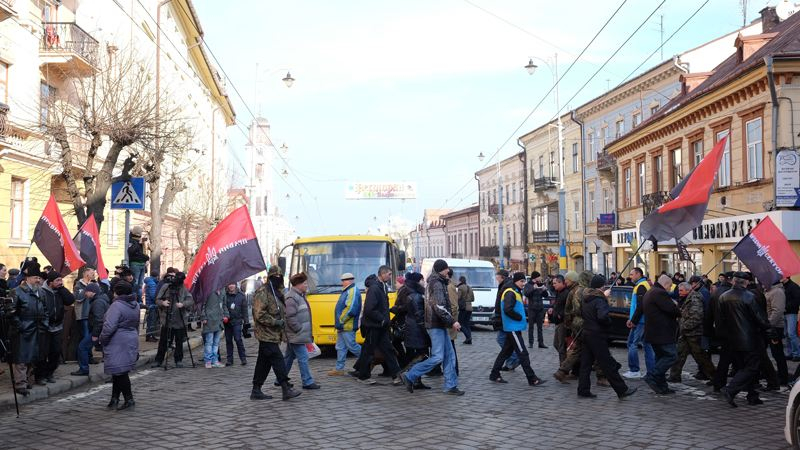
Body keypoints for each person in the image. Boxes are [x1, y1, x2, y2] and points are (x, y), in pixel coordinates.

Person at [400, 259, 465, 395]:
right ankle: (410, 375)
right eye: (446, 268)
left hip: (439, 324)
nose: (448, 271)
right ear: (441, 269)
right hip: (436, 325)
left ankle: (450, 385)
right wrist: (452, 321)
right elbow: (439, 306)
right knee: (438, 357)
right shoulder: (436, 283)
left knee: (449, 356)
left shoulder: (438, 282)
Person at [577, 275, 637, 399]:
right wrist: (608, 322)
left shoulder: (586, 298)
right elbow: (602, 316)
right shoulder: (599, 300)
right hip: (597, 335)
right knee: (607, 363)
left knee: (586, 364)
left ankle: (583, 389)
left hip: (587, 333)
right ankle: (622, 389)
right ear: (601, 286)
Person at [719, 272, 770, 407]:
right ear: (746, 282)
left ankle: (752, 395)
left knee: (743, 367)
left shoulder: (723, 297)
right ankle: (730, 390)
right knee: (752, 368)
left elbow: (720, 320)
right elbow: (760, 319)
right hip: (749, 339)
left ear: (734, 281)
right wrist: (771, 332)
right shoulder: (749, 297)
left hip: (732, 339)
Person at [251, 266, 301, 400]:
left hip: (275, 335)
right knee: (278, 359)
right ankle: (285, 388)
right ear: (270, 277)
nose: (278, 279)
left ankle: (256, 389)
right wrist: (275, 322)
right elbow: (259, 314)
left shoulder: (277, 292)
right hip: (266, 334)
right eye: (276, 277)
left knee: (264, 362)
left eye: (280, 276)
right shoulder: (263, 292)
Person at [488, 271, 545, 387]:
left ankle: (494, 374)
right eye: (521, 281)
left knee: (505, 352)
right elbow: (507, 309)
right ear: (515, 281)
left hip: (513, 327)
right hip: (512, 327)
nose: (523, 283)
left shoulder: (514, 290)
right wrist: (519, 316)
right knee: (523, 353)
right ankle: (532, 378)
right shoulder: (510, 292)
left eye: (524, 281)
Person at [354, 266, 402, 386]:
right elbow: (370, 309)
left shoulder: (382, 287)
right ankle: (363, 376)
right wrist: (382, 319)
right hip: (374, 326)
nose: (391, 277)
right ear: (383, 274)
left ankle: (397, 375)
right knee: (368, 351)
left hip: (381, 326)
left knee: (388, 350)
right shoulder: (375, 288)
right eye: (389, 274)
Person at [634, 274, 680, 395]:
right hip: (662, 333)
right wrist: (675, 305)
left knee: (660, 357)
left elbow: (640, 308)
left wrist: (633, 320)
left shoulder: (650, 292)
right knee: (671, 356)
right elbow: (673, 310)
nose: (670, 289)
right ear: (665, 284)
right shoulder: (660, 293)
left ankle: (662, 386)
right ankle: (652, 376)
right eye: (670, 286)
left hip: (654, 333)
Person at [99, 281, 139, 410]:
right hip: (130, 338)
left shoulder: (116, 306)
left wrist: (102, 339)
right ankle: (114, 398)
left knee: (120, 372)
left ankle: (129, 399)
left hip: (118, 341)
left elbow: (109, 326)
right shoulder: (135, 304)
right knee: (118, 371)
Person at [10, 261, 47, 396]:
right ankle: (20, 384)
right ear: (28, 278)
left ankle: (28, 381)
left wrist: (45, 324)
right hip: (23, 330)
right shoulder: (17, 292)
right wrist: (20, 326)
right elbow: (11, 312)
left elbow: (45, 310)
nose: (38, 280)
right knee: (21, 358)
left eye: (39, 278)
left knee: (33, 357)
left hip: (37, 329)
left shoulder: (40, 292)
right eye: (35, 278)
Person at [668, 282, 716, 383]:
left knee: (701, 357)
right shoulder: (687, 298)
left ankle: (715, 378)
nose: (679, 293)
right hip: (686, 333)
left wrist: (684, 327)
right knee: (679, 354)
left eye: (681, 290)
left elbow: (696, 317)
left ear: (688, 290)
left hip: (694, 333)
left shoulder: (695, 299)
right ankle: (674, 376)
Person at [35, 271, 75, 384]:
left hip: (57, 327)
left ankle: (49, 373)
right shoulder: (42, 291)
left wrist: (62, 289)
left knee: (56, 352)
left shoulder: (60, 291)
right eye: (57, 280)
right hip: (45, 327)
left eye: (60, 280)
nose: (60, 282)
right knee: (43, 353)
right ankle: (40, 376)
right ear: (50, 282)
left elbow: (70, 300)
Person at [283, 273, 319, 390]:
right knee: (303, 357)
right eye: (304, 283)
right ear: (298, 285)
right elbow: (290, 317)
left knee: (288, 358)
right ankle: (307, 381)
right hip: (296, 335)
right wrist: (299, 329)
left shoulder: (299, 295)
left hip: (297, 334)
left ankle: (280, 378)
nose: (306, 285)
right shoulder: (292, 297)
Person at [152, 272, 194, 368]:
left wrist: (183, 304)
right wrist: (163, 302)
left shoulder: (184, 288)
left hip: (180, 319)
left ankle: (178, 360)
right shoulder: (166, 287)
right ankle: (159, 360)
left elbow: (190, 300)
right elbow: (157, 300)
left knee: (179, 341)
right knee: (163, 341)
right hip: (167, 319)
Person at [623, 267, 655, 379]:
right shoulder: (644, 285)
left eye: (632, 274)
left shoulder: (641, 286)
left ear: (638, 274)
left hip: (640, 321)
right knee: (647, 345)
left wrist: (633, 321)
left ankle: (634, 370)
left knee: (632, 344)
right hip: (644, 320)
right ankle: (652, 371)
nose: (630, 277)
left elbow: (641, 306)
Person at [329, 272, 361, 376]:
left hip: (347, 325)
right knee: (341, 347)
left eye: (343, 281)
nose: (342, 283)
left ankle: (367, 359)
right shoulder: (348, 290)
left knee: (352, 346)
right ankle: (339, 369)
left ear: (348, 280)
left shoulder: (352, 291)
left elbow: (351, 309)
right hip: (343, 326)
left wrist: (341, 320)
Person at [72, 282, 101, 376]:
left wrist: (95, 334)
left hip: (97, 331)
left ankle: (84, 369)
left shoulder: (97, 302)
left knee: (82, 347)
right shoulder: (98, 300)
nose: (85, 294)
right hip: (99, 330)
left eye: (87, 292)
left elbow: (99, 320)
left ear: (92, 292)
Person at [493, 269, 519, 371]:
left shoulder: (506, 286)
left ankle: (514, 357)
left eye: (497, 277)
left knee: (501, 339)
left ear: (502, 277)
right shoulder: (505, 284)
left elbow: (506, 304)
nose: (496, 279)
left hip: (504, 317)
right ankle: (510, 363)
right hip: (503, 316)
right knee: (508, 341)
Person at [73, 266, 97, 371]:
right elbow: (77, 298)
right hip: (83, 315)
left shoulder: (94, 284)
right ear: (86, 274)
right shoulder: (78, 285)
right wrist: (86, 290)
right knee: (85, 337)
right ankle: (85, 359)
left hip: (92, 315)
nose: (94, 275)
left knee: (91, 337)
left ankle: (89, 356)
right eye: (92, 273)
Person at [765, 281, 788, 386]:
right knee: (774, 353)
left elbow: (777, 311)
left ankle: (783, 378)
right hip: (770, 326)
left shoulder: (777, 291)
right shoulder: (769, 290)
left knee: (777, 353)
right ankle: (777, 377)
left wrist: (769, 324)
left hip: (775, 327)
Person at [201, 288, 228, 368]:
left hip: (219, 321)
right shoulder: (208, 289)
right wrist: (203, 317)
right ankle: (208, 361)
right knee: (209, 342)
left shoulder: (223, 290)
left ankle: (215, 360)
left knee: (216, 343)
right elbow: (203, 304)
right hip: (210, 320)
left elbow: (224, 305)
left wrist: (226, 315)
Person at [223, 283, 249, 366]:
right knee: (228, 340)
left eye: (232, 284)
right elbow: (222, 307)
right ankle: (229, 359)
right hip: (227, 322)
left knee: (238, 339)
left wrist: (246, 321)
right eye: (229, 284)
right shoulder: (225, 295)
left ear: (235, 285)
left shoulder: (241, 295)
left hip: (237, 321)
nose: (231, 286)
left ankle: (243, 358)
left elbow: (245, 310)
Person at [524, 271, 547, 349]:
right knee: (531, 327)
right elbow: (526, 294)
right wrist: (533, 288)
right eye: (539, 276)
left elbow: (546, 295)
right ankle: (531, 343)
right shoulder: (528, 285)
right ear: (535, 277)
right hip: (532, 309)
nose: (540, 278)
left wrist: (544, 290)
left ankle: (541, 343)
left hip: (540, 308)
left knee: (540, 327)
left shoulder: (540, 284)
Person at [127, 226, 149, 305]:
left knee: (140, 284)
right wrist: (138, 244)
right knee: (135, 283)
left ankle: (139, 301)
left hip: (141, 264)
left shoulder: (139, 241)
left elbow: (141, 253)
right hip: (135, 264)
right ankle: (134, 300)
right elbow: (131, 251)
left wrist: (146, 257)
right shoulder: (131, 240)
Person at [783, 277, 800, 362]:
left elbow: (797, 300)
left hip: (791, 313)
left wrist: (786, 307)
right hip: (785, 313)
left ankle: (797, 354)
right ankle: (790, 353)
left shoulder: (794, 286)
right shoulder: (783, 286)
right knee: (786, 334)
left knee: (791, 334)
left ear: (786, 277)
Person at [143, 271, 160, 342]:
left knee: (151, 321)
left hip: (150, 305)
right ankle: (149, 336)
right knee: (151, 321)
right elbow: (153, 296)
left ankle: (150, 335)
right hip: (152, 305)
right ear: (156, 276)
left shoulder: (150, 282)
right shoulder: (152, 284)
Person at [456, 276, 473, 345]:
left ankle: (468, 337)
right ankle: (469, 340)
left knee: (460, 323)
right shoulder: (470, 287)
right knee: (466, 324)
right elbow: (473, 299)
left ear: (460, 281)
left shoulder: (460, 287)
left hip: (463, 307)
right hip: (470, 307)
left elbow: (458, 297)